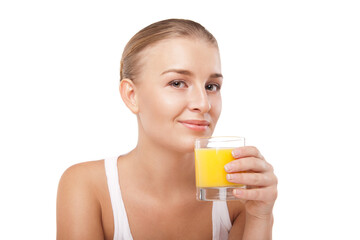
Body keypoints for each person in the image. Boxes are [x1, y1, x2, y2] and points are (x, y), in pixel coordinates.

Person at [56, 18, 278, 240]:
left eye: (211, 86)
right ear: (132, 96)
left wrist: (260, 216)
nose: (203, 104)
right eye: (177, 83)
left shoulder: (239, 195)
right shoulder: (87, 186)